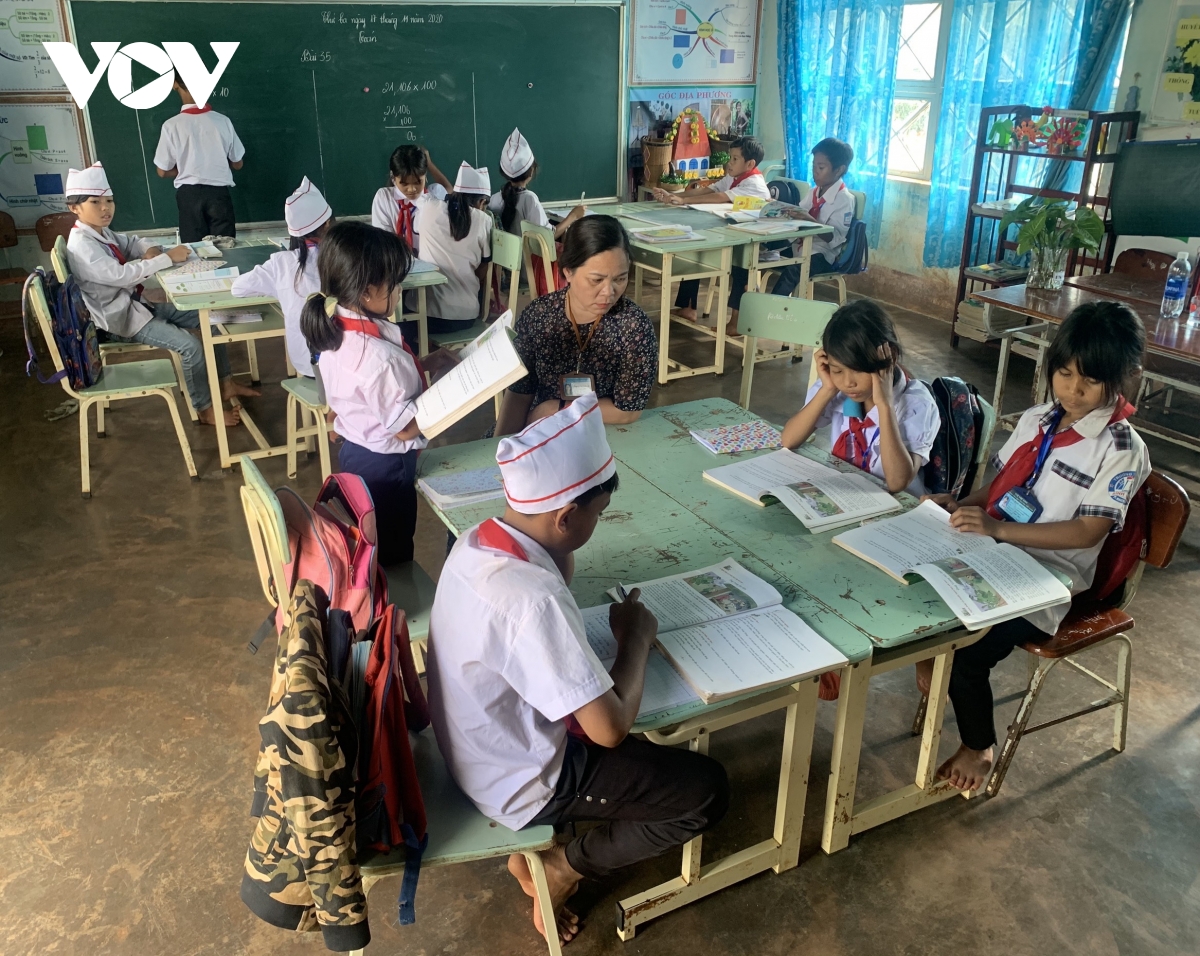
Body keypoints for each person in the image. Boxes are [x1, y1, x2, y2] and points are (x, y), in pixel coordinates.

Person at [426, 394, 729, 945]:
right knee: (705, 790)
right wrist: (635, 639)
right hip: (520, 782)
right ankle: (562, 865)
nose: (599, 523)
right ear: (565, 517)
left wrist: (565, 538)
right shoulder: (532, 600)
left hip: (475, 748)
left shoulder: (478, 542)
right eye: (598, 514)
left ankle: (541, 849)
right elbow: (609, 730)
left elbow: (555, 569)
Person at [922, 302, 1150, 792]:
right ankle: (931, 664)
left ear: (1125, 378)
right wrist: (961, 504)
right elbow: (1004, 485)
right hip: (995, 550)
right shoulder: (1038, 418)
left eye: (1090, 380)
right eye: (1064, 373)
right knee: (917, 598)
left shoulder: (1121, 449)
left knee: (965, 655)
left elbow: (1087, 532)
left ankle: (978, 746)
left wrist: (998, 530)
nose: (1073, 389)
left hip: (1049, 578)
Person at [299, 221, 458, 565]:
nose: (399, 291)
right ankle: (390, 595)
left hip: (355, 453)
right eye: (395, 284)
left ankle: (375, 585)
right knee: (393, 551)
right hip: (387, 468)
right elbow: (404, 428)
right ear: (368, 292)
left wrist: (426, 363)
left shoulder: (335, 328)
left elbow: (366, 392)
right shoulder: (378, 358)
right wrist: (456, 394)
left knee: (370, 538)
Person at [65, 162, 249, 427]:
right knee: (191, 347)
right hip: (118, 320)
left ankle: (225, 384)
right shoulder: (82, 245)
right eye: (95, 202)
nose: (105, 208)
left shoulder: (100, 233)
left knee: (210, 319)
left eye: (109, 201)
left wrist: (150, 250)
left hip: (135, 306)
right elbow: (123, 276)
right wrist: (166, 258)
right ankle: (204, 409)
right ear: (74, 208)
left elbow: (133, 242)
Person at [496, 216, 656, 435]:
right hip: (538, 429)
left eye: (620, 279)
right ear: (568, 271)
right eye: (596, 280)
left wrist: (555, 409)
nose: (609, 292)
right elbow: (519, 392)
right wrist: (501, 444)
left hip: (602, 433)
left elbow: (628, 411)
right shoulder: (539, 316)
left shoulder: (633, 326)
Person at [781, 300, 939, 496]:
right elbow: (789, 440)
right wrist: (827, 390)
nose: (848, 382)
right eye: (838, 370)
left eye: (857, 370)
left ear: (890, 357)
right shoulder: (836, 389)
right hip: (848, 493)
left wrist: (885, 406)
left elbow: (897, 483)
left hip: (899, 503)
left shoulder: (918, 404)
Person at [657, 136, 770, 335]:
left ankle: (737, 321)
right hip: (732, 233)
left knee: (741, 267)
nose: (729, 163)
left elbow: (719, 197)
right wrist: (675, 196)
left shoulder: (754, 183)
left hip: (753, 241)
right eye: (730, 157)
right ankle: (688, 307)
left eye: (735, 159)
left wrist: (682, 201)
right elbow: (708, 190)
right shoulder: (735, 176)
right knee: (695, 249)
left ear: (750, 164)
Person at [231, 176, 332, 378]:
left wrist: (278, 290)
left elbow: (238, 288)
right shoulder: (343, 257)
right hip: (343, 366)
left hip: (306, 365)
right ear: (328, 224)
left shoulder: (281, 263)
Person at [153, 74, 245, 242]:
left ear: (175, 84)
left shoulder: (171, 125)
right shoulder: (222, 121)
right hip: (219, 195)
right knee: (226, 249)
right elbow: (238, 163)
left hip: (190, 196)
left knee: (194, 250)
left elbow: (162, 171)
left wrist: (189, 167)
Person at [770, 137, 856, 298]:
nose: (815, 171)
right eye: (813, 166)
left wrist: (808, 219)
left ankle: (772, 308)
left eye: (821, 167)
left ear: (839, 170)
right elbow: (799, 212)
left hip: (822, 254)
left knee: (792, 271)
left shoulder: (845, 200)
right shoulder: (814, 192)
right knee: (763, 255)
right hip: (799, 246)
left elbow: (835, 238)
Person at [418, 162, 493, 336]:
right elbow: (483, 269)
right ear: (482, 202)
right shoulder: (483, 220)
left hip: (423, 314)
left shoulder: (428, 207)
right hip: (464, 316)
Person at [489, 127, 585, 238]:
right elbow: (547, 237)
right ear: (531, 171)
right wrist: (573, 215)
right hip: (524, 250)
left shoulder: (494, 199)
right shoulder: (529, 200)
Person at [369, 144, 451, 255]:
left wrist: (429, 164)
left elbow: (449, 191)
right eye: (404, 184)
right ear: (393, 178)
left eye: (418, 182)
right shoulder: (384, 198)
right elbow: (384, 241)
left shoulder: (434, 198)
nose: (412, 189)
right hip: (396, 260)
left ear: (425, 175)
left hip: (430, 263)